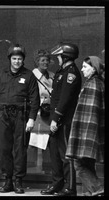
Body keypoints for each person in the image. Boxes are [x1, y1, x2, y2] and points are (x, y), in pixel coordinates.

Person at [0, 44, 40, 194]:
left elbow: (35, 100)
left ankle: (18, 180)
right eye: (14, 58)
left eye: (19, 59)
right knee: (4, 149)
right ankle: (7, 180)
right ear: (10, 59)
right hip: (2, 116)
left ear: (23, 60)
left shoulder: (29, 76)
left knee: (20, 149)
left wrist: (32, 119)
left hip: (21, 116)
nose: (16, 61)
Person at [41, 42, 82, 196]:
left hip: (63, 120)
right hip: (55, 118)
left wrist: (55, 119)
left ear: (65, 57)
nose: (57, 59)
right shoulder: (62, 71)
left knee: (66, 155)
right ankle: (57, 184)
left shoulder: (71, 74)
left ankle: (70, 188)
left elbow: (65, 99)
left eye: (59, 56)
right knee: (55, 154)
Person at [65, 56, 104, 196]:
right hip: (89, 131)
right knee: (87, 164)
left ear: (94, 69)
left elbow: (91, 114)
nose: (82, 69)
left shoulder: (93, 84)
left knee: (79, 165)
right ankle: (91, 191)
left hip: (87, 132)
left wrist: (83, 136)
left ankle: (97, 189)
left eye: (85, 67)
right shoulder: (98, 83)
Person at [30, 49, 54, 171]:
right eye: (43, 60)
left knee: (49, 140)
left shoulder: (52, 75)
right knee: (37, 140)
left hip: (49, 111)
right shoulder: (32, 76)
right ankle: (38, 167)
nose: (46, 63)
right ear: (37, 62)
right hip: (38, 111)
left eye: (47, 60)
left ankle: (47, 166)